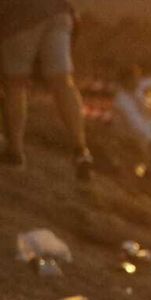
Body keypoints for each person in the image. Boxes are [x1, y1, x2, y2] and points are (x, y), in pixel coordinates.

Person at [1, 0, 91, 178]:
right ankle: (81, 150)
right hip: (58, 12)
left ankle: (15, 152)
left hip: (19, 19)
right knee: (63, 82)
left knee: (15, 84)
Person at [109, 65, 151, 163]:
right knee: (148, 140)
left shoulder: (136, 92)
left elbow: (150, 82)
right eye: (135, 78)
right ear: (127, 81)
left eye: (138, 77)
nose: (138, 80)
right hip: (129, 136)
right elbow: (136, 122)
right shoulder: (122, 100)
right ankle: (148, 166)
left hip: (140, 133)